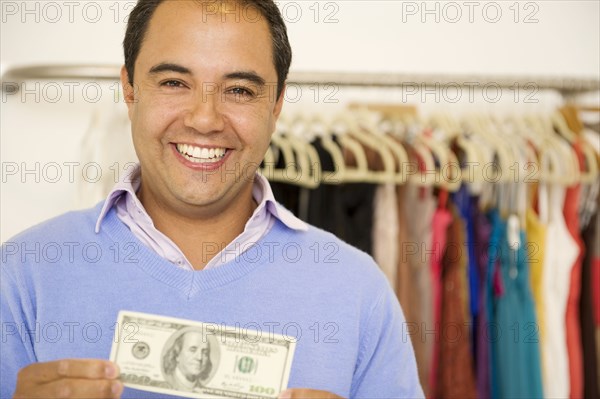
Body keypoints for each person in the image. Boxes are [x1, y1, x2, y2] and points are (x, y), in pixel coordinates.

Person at [1, 0, 424, 398]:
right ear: (130, 89)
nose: (204, 119)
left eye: (239, 90)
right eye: (173, 82)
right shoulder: (21, 274)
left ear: (276, 104)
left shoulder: (356, 288)